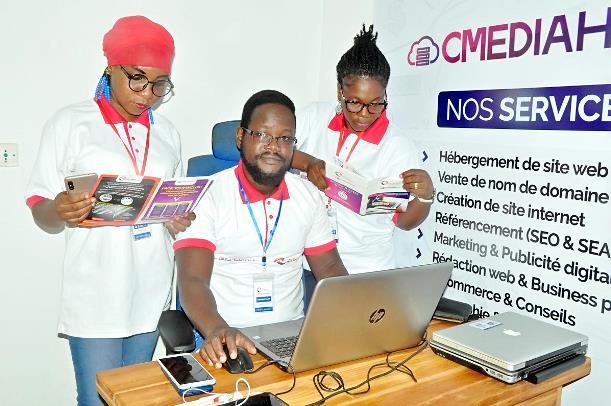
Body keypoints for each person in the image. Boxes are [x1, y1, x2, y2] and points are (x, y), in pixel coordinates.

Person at [25, 16, 193, 405]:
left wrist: (177, 219)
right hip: (96, 292)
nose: (147, 94)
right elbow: (39, 207)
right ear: (110, 68)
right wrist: (60, 209)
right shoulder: (71, 123)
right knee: (96, 399)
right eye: (137, 78)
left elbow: (170, 208)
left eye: (159, 84)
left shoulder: (168, 134)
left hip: (151, 288)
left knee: (134, 399)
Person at [174, 90, 348, 368]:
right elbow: (192, 279)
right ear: (240, 138)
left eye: (285, 138)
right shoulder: (207, 196)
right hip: (224, 337)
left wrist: (355, 313)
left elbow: (328, 267)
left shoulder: (308, 196)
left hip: (294, 336)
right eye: (263, 135)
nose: (274, 146)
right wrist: (218, 329)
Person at [292, 25, 435, 282]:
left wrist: (425, 197)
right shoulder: (315, 117)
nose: (364, 114)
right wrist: (308, 163)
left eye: (376, 104)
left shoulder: (397, 147)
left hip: (364, 272)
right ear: (340, 91)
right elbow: (272, 148)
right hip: (305, 262)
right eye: (355, 102)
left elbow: (405, 222)